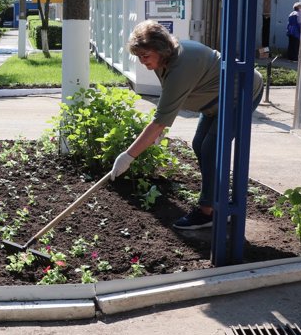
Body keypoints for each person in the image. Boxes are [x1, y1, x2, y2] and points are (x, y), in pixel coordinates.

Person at [109, 20, 263, 230]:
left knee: (211, 148)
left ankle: (208, 210)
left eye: (145, 56)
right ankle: (215, 200)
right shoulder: (164, 60)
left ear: (160, 49)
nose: (142, 62)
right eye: (139, 57)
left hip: (241, 94)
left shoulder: (181, 65)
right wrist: (158, 128)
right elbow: (169, 100)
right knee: (199, 144)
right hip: (216, 102)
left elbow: (161, 118)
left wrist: (128, 156)